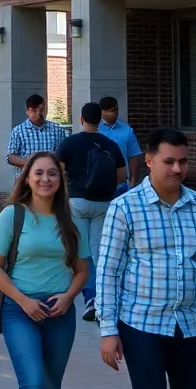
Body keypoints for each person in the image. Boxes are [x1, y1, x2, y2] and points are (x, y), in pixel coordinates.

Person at [96, 128, 196, 389]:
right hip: (142, 324)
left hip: (191, 324)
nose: (177, 168)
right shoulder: (124, 208)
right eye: (169, 161)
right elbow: (108, 271)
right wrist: (108, 330)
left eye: (183, 161)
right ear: (149, 160)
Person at [0, 151, 90, 389]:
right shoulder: (12, 215)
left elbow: (82, 271)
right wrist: (23, 301)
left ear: (60, 180)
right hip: (20, 310)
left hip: (61, 313)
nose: (46, 179)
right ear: (28, 178)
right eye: (39, 173)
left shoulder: (72, 218)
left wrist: (69, 296)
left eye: (52, 173)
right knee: (33, 386)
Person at [56, 102, 126, 323]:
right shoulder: (110, 144)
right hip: (103, 203)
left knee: (82, 251)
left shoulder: (69, 142)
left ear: (81, 119)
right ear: (100, 119)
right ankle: (104, 298)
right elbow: (122, 174)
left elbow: (56, 170)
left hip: (77, 201)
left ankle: (91, 299)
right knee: (99, 252)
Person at [7, 94, 66, 183]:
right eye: (34, 111)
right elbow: (11, 157)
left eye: (41, 110)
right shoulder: (18, 131)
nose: (38, 114)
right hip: (26, 180)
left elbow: (63, 154)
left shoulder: (57, 129)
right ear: (27, 111)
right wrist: (28, 163)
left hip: (50, 180)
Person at [97, 96, 143, 194]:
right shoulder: (96, 130)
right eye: (110, 111)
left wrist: (133, 179)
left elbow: (133, 155)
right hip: (99, 183)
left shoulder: (127, 130)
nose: (114, 114)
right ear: (102, 112)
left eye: (116, 110)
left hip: (122, 184)